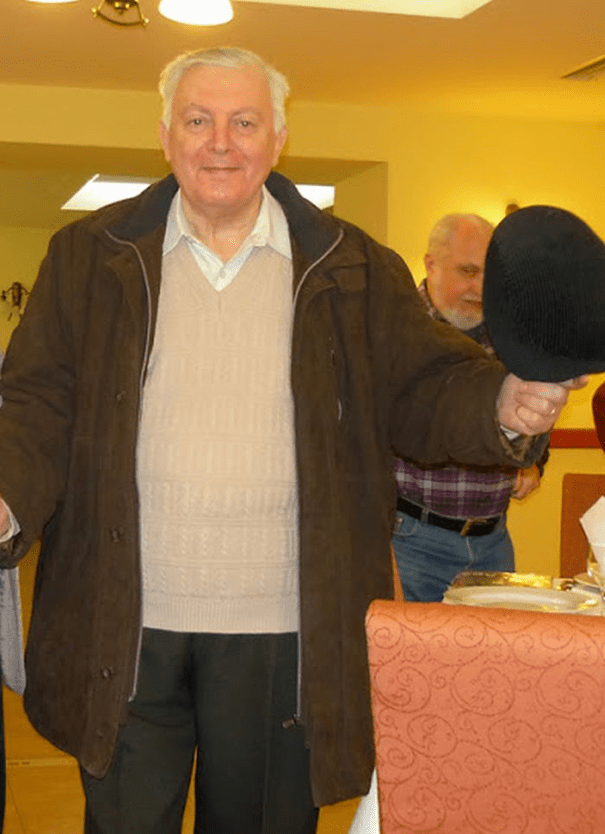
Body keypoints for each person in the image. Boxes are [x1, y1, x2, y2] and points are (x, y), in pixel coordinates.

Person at [0, 47, 578, 833]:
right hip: (121, 623)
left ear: (278, 138)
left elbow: (425, 386)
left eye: (244, 122)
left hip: (285, 631)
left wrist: (502, 402)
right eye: (198, 120)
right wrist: (8, 494)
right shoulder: (87, 256)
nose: (220, 142)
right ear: (165, 135)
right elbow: (37, 401)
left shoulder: (352, 266)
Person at [392, 214, 546, 602]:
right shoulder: (394, 328)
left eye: (488, 274)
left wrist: (532, 461)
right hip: (409, 544)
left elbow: (532, 412)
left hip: (493, 543)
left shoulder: (510, 333)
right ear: (431, 265)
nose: (479, 287)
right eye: (467, 271)